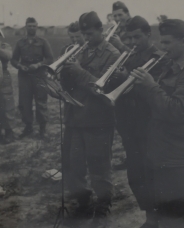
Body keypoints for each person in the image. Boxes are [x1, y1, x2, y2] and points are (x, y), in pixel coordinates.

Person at [131, 19, 184, 228]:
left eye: (168, 43)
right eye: (162, 42)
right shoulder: (171, 66)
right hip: (163, 149)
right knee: (167, 211)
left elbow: (178, 111)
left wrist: (149, 86)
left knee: (180, 219)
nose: (163, 47)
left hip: (177, 155)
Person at [61, 12, 120, 222]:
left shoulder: (113, 55)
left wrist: (77, 71)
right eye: (83, 34)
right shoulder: (80, 52)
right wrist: (64, 73)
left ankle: (103, 205)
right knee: (73, 164)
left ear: (101, 30)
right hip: (75, 117)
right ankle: (83, 200)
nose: (85, 38)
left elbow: (102, 88)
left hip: (97, 119)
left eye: (89, 33)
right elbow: (70, 84)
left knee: (99, 165)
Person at [110, 16, 166, 228]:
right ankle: (150, 217)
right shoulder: (127, 56)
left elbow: (158, 94)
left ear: (148, 35)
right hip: (128, 126)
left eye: (137, 37)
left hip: (149, 127)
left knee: (152, 174)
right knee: (136, 176)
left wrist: (128, 81)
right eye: (130, 37)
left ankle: (157, 220)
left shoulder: (158, 58)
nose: (133, 41)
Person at [11, 17, 54, 139]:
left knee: (41, 101)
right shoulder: (20, 43)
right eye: (29, 26)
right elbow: (13, 59)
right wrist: (20, 66)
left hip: (39, 75)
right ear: (25, 27)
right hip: (24, 76)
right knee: (25, 102)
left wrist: (38, 64)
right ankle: (28, 127)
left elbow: (50, 59)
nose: (32, 28)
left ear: (37, 27)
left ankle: (42, 129)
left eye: (34, 26)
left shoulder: (43, 42)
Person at [0, 29, 15, 144]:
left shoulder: (5, 46)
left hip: (3, 76)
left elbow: (8, 55)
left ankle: (9, 131)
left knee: (7, 104)